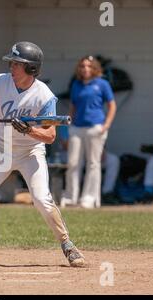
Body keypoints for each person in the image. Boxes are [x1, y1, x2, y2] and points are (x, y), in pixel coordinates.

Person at [0, 42, 86, 268]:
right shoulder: (1, 82)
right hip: (2, 149)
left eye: (17, 64)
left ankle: (67, 245)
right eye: (12, 62)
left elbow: (50, 136)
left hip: (30, 151)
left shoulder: (44, 96)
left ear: (31, 69)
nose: (12, 67)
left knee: (41, 199)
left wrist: (29, 130)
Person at [60, 56, 117, 209]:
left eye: (89, 66)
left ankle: (89, 198)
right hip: (77, 127)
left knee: (93, 164)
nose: (85, 69)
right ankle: (71, 197)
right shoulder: (76, 84)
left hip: (95, 127)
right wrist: (67, 128)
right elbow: (72, 107)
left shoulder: (102, 84)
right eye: (83, 66)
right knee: (72, 163)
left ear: (95, 68)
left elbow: (112, 105)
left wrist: (106, 126)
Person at [56, 125, 120, 204]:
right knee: (76, 163)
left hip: (88, 153)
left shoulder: (93, 123)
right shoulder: (69, 125)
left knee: (112, 160)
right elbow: (66, 145)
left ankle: (106, 193)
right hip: (75, 155)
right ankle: (73, 196)